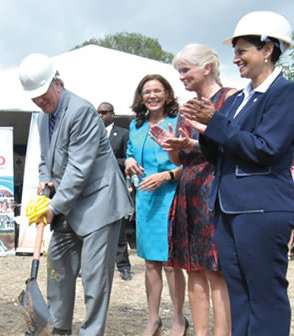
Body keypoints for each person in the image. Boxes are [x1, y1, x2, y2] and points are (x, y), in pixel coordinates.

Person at [180, 11, 294, 335]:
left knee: (265, 297)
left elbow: (266, 147)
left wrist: (215, 123)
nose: (236, 59)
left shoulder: (286, 93)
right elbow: (218, 153)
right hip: (227, 209)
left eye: (243, 51)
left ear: (268, 49)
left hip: (262, 209)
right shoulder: (235, 101)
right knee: (239, 295)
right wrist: (205, 128)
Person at [18, 53, 133, 336]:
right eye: (34, 98)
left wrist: (53, 207)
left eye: (43, 96)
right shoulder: (43, 118)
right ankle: (59, 327)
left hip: (98, 204)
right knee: (57, 268)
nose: (40, 102)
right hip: (68, 205)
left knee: (94, 279)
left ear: (57, 83)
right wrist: (45, 180)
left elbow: (79, 169)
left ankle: (91, 332)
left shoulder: (81, 111)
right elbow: (46, 158)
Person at [150, 43, 235, 336]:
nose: (181, 77)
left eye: (185, 70)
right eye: (179, 71)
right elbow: (181, 159)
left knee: (216, 270)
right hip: (189, 189)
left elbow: (230, 147)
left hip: (216, 188)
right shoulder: (186, 109)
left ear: (207, 68)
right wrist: (171, 145)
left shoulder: (231, 99)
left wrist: (191, 143)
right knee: (193, 268)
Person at [125, 74, 186, 336]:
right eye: (147, 91)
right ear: (141, 96)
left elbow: (192, 162)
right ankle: (153, 320)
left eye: (157, 91)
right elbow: (129, 152)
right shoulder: (135, 126)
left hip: (172, 195)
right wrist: (128, 162)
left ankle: (178, 320)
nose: (152, 95)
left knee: (171, 262)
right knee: (151, 263)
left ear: (167, 95)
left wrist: (167, 175)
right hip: (146, 198)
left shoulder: (179, 122)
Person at [97, 102, 133, 281]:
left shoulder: (123, 134)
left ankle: (124, 266)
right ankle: (98, 266)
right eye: (98, 113)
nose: (100, 116)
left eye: (104, 112)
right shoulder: (92, 133)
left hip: (115, 186)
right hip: (95, 188)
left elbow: (128, 159)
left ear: (112, 114)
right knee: (96, 229)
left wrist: (109, 160)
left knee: (118, 229)